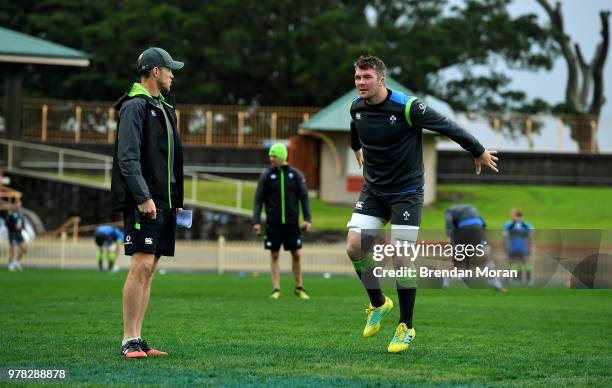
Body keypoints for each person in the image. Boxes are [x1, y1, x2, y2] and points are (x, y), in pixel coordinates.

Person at [346, 55, 499, 354]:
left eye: (366, 77)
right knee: (353, 246)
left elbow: (448, 126)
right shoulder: (356, 106)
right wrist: (356, 149)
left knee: (402, 256)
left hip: (406, 191)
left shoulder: (408, 106)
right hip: (374, 190)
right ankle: (378, 303)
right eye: (357, 77)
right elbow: (356, 128)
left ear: (381, 80)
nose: (361, 83)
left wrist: (478, 151)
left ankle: (406, 326)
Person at [111, 47, 184, 358]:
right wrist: (143, 197)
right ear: (155, 71)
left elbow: (170, 160)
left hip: (163, 201)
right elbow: (127, 159)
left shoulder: (164, 106)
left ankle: (139, 337)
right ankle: (128, 339)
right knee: (140, 264)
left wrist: (176, 200)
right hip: (144, 202)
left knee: (150, 267)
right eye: (169, 70)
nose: (172, 75)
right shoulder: (134, 106)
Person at [253, 143, 312, 300]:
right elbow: (258, 200)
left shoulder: (296, 175)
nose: (271, 159)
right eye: (270, 156)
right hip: (273, 223)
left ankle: (299, 287)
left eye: (274, 156)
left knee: (297, 254)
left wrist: (307, 219)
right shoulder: (266, 175)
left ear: (282, 157)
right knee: (274, 255)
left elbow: (304, 198)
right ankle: (276, 289)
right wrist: (256, 222)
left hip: (292, 223)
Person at [443, 204, 506, 292]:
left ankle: (449, 280)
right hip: (478, 230)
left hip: (465, 231)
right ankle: (496, 283)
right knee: (486, 258)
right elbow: (483, 224)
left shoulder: (449, 210)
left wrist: (449, 236)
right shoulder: (472, 209)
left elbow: (449, 223)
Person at [503, 209, 533, 285]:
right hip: (513, 246)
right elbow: (505, 236)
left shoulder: (526, 225)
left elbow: (531, 235)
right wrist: (506, 246)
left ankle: (527, 279)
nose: (513, 217)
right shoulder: (508, 225)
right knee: (511, 262)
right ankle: (510, 279)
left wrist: (530, 246)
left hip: (523, 246)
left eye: (514, 216)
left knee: (524, 261)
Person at [4, 199, 27, 271]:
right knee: (12, 249)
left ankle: (16, 262)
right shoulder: (10, 213)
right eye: (18, 204)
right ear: (15, 204)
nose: (19, 205)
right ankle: (10, 263)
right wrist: (14, 225)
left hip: (19, 234)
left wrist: (23, 226)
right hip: (12, 233)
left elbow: (22, 223)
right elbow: (7, 223)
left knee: (24, 248)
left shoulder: (21, 213)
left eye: (20, 204)